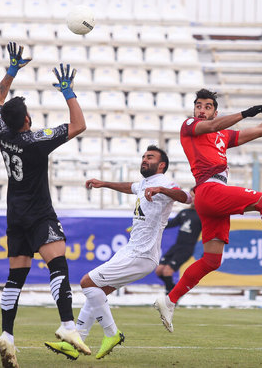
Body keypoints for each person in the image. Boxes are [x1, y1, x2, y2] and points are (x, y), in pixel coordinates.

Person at [151, 89, 262, 333]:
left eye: (207, 106)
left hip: (210, 196)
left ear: (215, 111)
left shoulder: (222, 134)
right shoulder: (190, 125)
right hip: (209, 190)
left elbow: (261, 130)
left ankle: (169, 300)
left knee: (212, 260)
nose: (201, 109)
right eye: (198, 105)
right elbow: (212, 126)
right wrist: (243, 113)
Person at [45, 145, 192, 360]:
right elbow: (129, 187)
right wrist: (104, 183)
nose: (144, 159)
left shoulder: (163, 183)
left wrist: (162, 191)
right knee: (97, 293)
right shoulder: (145, 183)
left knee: (87, 283)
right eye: (143, 156)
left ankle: (112, 334)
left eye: (149, 157)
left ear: (161, 165)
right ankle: (76, 342)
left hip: (142, 254)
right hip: (132, 250)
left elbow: (185, 196)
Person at [0, 42, 90, 368]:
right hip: (38, 213)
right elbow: (78, 126)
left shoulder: (2, 130)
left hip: (14, 213)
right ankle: (67, 325)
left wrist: (11, 70)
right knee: (57, 263)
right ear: (27, 120)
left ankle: (7, 335)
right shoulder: (34, 141)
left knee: (15, 276)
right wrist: (67, 91)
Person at [155, 189, 201, 294]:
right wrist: (154, 225)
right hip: (176, 246)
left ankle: (171, 296)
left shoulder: (202, 215)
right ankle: (174, 290)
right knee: (159, 271)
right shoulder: (184, 212)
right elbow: (170, 224)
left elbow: (208, 232)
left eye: (195, 197)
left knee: (167, 271)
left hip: (187, 249)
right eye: (191, 196)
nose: (192, 199)